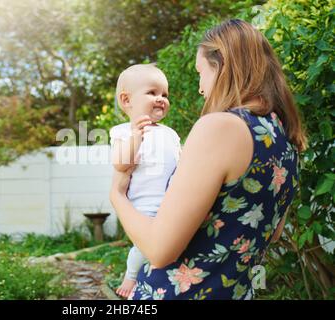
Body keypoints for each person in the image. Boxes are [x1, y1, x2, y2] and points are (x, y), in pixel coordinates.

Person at [110, 19, 306, 300]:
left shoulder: (221, 127)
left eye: (201, 73)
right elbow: (271, 234)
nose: (201, 88)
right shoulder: (286, 139)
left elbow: (158, 249)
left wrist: (117, 195)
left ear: (222, 66)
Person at [109, 64, 182, 298]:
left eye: (165, 94)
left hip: (171, 201)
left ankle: (157, 281)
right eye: (152, 92)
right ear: (126, 100)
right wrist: (136, 137)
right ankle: (131, 275)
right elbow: (120, 163)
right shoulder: (123, 131)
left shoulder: (170, 134)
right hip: (144, 205)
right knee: (144, 245)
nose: (161, 98)